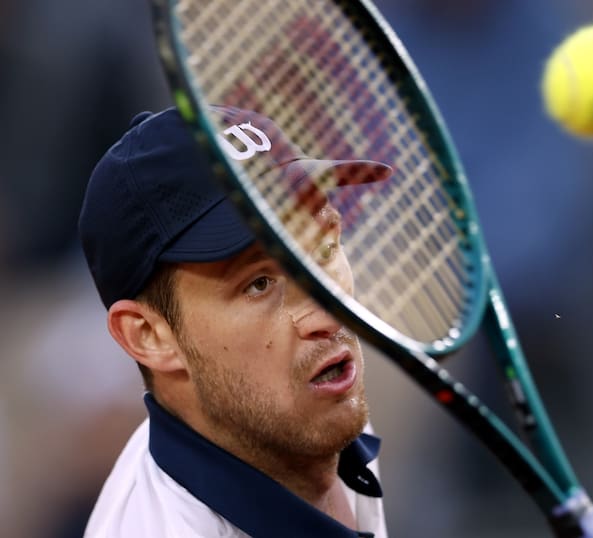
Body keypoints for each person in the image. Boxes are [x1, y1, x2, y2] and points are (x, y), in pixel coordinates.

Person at [78, 105, 393, 538]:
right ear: (149, 336)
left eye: (322, 252)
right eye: (259, 283)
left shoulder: (309, 415)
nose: (326, 315)